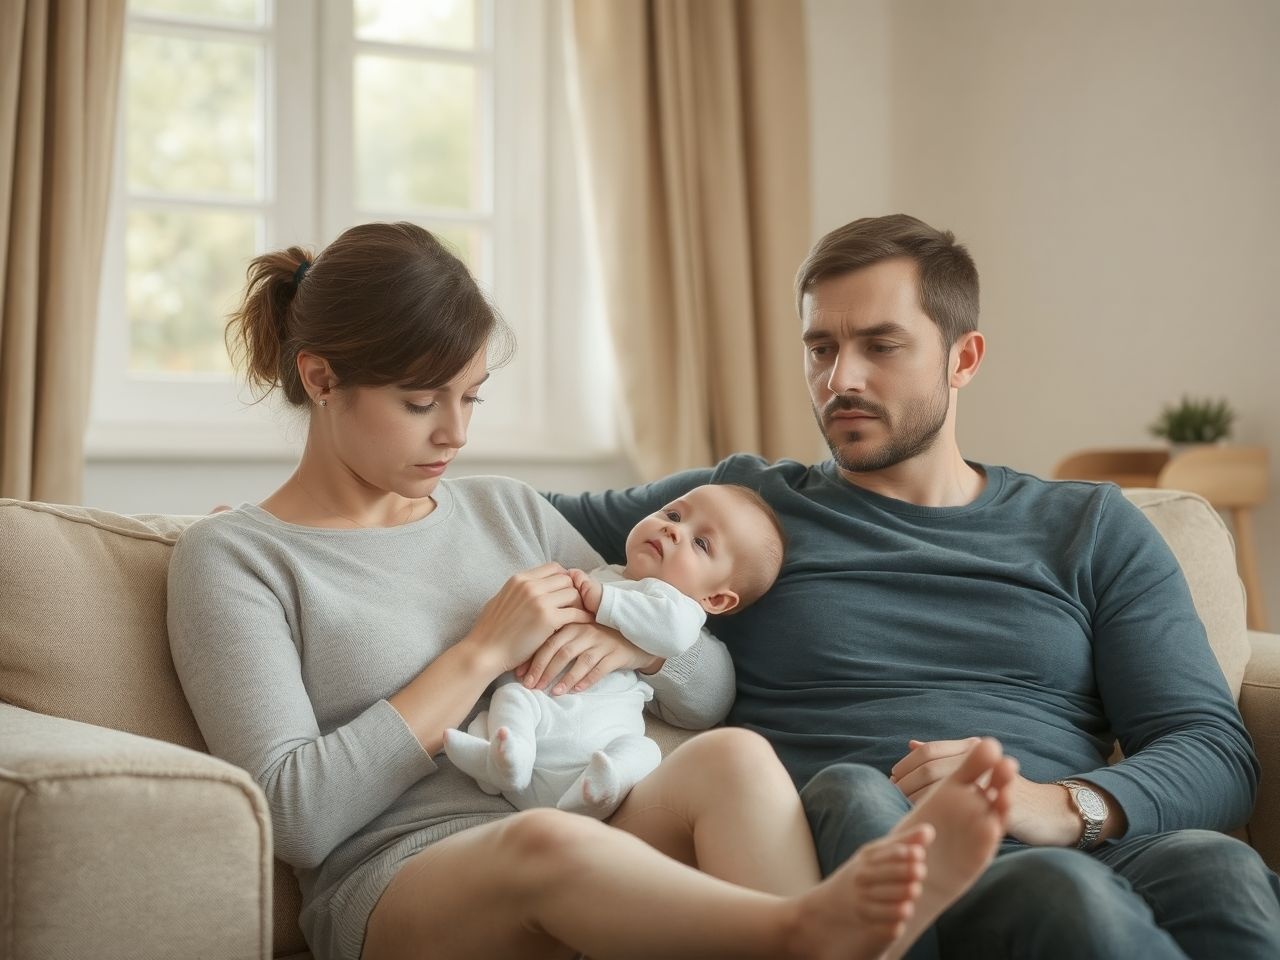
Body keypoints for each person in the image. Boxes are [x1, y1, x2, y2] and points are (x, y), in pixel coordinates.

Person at [166, 220, 1021, 960]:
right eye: (422, 402)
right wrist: (479, 655)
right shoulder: (236, 558)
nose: (455, 434)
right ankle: (801, 931)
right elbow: (295, 816)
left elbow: (708, 695)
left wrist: (632, 639)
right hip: (401, 880)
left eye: (471, 398)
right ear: (321, 380)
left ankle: (811, 935)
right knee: (541, 842)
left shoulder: (504, 510)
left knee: (732, 757)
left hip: (592, 826)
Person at [546, 213, 1280, 959]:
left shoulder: (1089, 527)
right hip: (864, 836)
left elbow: (1212, 749)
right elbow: (514, 517)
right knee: (1047, 885)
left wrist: (1060, 805)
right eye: (820, 348)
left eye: (881, 345)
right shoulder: (741, 511)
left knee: (1220, 871)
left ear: (964, 358)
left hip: (1062, 842)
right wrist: (618, 618)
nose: (840, 379)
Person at [444, 483, 786, 819]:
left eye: (701, 543)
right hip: (537, 722)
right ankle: (505, 761)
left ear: (715, 599)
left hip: (598, 744)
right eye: (673, 514)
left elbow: (673, 632)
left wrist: (604, 600)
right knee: (511, 698)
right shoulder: (600, 573)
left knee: (643, 751)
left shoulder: (677, 607)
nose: (673, 530)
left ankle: (605, 782)